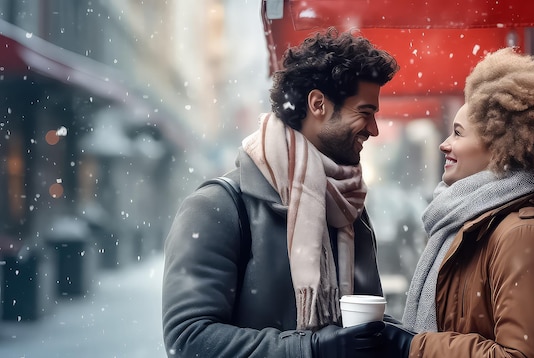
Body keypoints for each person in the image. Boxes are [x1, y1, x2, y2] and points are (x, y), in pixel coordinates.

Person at [161, 27, 400, 358]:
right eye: (365, 113)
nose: (373, 130)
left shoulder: (348, 207)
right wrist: (310, 349)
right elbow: (189, 338)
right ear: (318, 104)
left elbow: (360, 330)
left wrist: (412, 342)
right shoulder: (218, 206)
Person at [378, 47, 534, 357]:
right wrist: (400, 334)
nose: (444, 144)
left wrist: (414, 345)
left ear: (498, 149)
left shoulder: (523, 234)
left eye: (457, 133)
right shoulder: (473, 222)